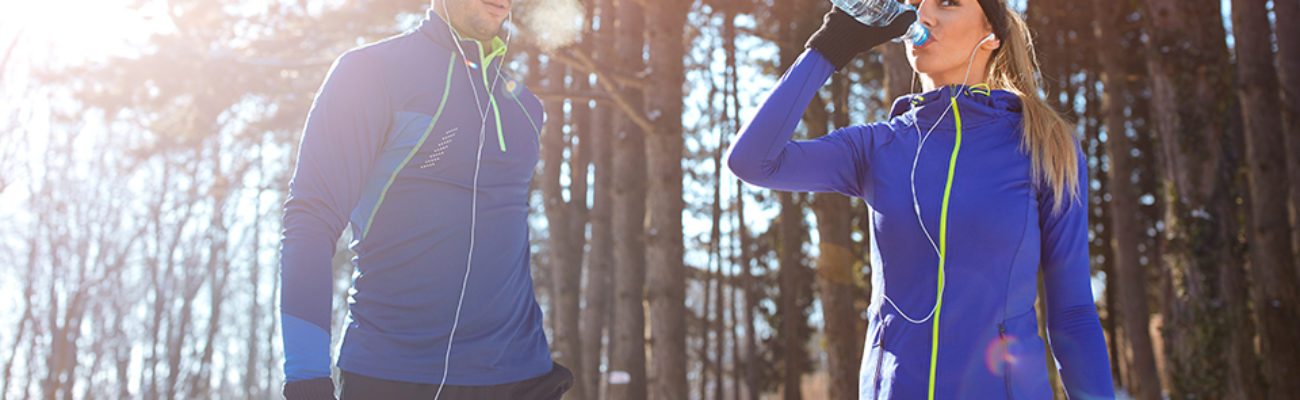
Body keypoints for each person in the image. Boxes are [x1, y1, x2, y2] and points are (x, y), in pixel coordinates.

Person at [726, 0, 1114, 399]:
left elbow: (1073, 315)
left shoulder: (1043, 144)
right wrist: (830, 46)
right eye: (915, 4)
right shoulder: (877, 146)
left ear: (992, 35)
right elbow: (752, 160)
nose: (923, 15)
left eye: (947, 3)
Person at [278, 0, 572, 398]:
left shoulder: (525, 108)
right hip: (396, 374)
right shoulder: (371, 74)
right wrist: (305, 377)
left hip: (520, 376)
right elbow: (310, 220)